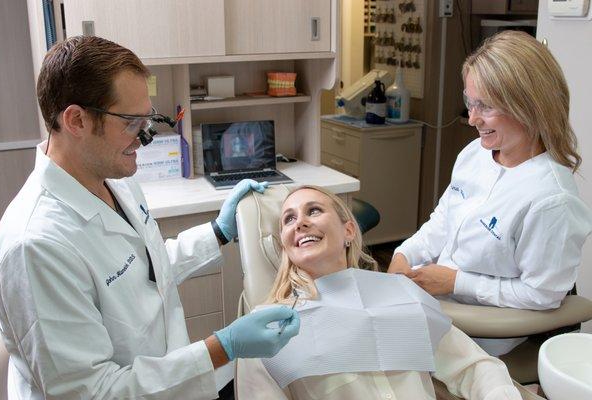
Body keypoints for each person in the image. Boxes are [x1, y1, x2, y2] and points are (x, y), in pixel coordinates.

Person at [0, 36, 299, 399]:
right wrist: (222, 348)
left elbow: (141, 271)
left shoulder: (111, 177)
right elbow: (92, 393)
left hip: (168, 382)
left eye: (147, 119)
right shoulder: (37, 247)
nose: (145, 137)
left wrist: (217, 232)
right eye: (131, 122)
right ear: (76, 120)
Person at [388, 31, 592, 354]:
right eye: (470, 101)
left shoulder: (551, 200)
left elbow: (542, 295)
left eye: (485, 106)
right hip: (440, 312)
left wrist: (456, 282)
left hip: (488, 337)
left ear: (528, 106)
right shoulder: (475, 155)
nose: (472, 119)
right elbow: (443, 221)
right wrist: (404, 255)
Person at [236, 185, 522, 400]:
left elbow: (476, 367)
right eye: (288, 219)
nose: (300, 223)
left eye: (314, 210)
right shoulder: (266, 330)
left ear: (348, 231)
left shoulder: (401, 296)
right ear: (285, 245)